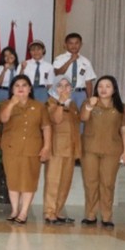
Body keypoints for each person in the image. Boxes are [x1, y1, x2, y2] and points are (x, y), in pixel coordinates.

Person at [0, 75, 51, 225]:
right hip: (11, 147)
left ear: (29, 89)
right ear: (12, 89)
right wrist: (12, 104)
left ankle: (24, 211)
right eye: (17, 86)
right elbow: (3, 119)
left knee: (29, 180)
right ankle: (15, 210)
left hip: (32, 148)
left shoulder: (39, 106)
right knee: (13, 179)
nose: (20, 88)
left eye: (24, 85)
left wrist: (46, 147)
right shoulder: (6, 103)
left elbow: (46, 127)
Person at [80, 75, 125, 228]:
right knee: (90, 183)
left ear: (114, 89)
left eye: (108, 86)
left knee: (107, 184)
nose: (103, 89)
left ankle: (107, 216)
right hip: (90, 149)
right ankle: (90, 215)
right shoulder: (89, 102)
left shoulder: (121, 107)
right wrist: (89, 106)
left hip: (112, 150)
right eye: (100, 86)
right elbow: (83, 117)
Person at [43, 76, 81, 224]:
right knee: (53, 181)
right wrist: (60, 102)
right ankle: (49, 211)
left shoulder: (72, 105)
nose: (64, 89)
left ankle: (58, 211)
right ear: (54, 88)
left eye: (67, 86)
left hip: (71, 147)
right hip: (56, 147)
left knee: (65, 182)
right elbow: (56, 119)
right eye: (60, 86)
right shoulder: (51, 103)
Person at [53, 33, 97, 109]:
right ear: (65, 45)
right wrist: (70, 60)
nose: (74, 46)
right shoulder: (59, 59)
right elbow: (57, 74)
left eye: (77, 43)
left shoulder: (86, 62)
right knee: (65, 116)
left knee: (81, 117)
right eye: (71, 43)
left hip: (80, 93)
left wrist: (89, 98)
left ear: (81, 44)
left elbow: (88, 82)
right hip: (64, 92)